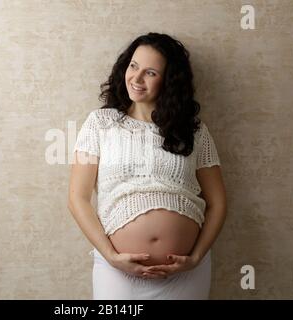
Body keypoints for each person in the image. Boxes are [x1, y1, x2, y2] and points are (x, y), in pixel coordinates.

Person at [67, 32, 227, 300]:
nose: (137, 79)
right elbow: (77, 198)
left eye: (150, 72)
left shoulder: (193, 131)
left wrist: (196, 257)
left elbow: (218, 202)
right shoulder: (100, 123)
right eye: (133, 66)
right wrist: (112, 256)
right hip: (117, 271)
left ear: (169, 81)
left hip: (185, 274)